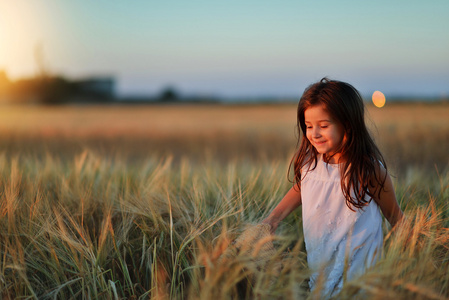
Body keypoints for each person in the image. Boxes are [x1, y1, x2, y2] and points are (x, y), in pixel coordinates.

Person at [262, 78, 403, 297]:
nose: (314, 134)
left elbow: (395, 217)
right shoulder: (311, 164)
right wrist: (272, 219)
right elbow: (302, 188)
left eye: (324, 126)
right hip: (320, 271)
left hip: (361, 278)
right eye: (309, 126)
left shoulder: (368, 171)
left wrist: (415, 256)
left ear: (347, 124)